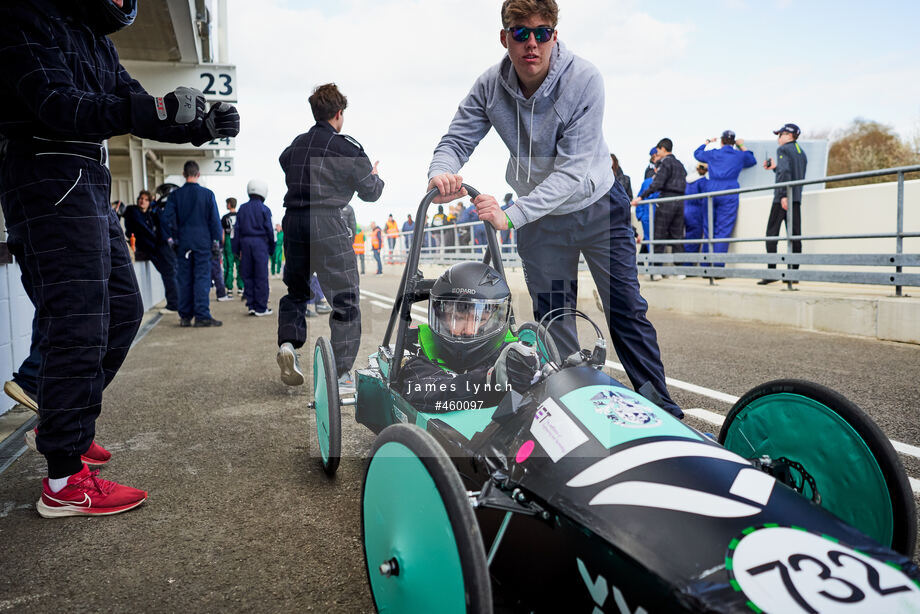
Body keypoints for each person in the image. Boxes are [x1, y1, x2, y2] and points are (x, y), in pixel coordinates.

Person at [0, 0, 238, 517]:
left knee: (123, 310)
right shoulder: (25, 15)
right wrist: (152, 110)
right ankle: (63, 482)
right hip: (46, 174)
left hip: (89, 179)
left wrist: (202, 124)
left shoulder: (98, 42)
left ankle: (64, 425)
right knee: (77, 319)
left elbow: (135, 102)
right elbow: (57, 105)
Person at [426, 0, 681, 417]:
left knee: (625, 310)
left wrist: (511, 215)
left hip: (598, 207)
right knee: (554, 318)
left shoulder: (584, 79)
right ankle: (574, 411)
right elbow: (455, 141)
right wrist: (441, 174)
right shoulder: (490, 85)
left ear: (555, 36)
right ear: (504, 37)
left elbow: (572, 173)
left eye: (542, 32)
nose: (532, 43)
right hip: (541, 219)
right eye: (521, 32)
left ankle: (665, 410)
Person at [276, 82, 384, 392]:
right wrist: (374, 176)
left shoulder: (296, 145)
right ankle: (341, 373)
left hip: (294, 221)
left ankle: (288, 345)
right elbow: (370, 192)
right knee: (345, 299)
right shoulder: (346, 146)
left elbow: (284, 161)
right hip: (328, 223)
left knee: (295, 291)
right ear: (339, 114)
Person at [397, 262, 539, 413]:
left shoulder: (510, 355)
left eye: (481, 319)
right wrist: (490, 380)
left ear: (496, 320)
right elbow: (425, 392)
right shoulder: (418, 355)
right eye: (458, 318)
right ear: (440, 317)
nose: (470, 330)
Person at [162, 161, 225, 327]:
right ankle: (202, 315)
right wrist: (216, 242)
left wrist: (170, 240)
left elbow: (165, 219)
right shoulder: (207, 194)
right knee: (202, 279)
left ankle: (185, 317)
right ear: (198, 174)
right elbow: (215, 222)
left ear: (184, 174)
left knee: (184, 279)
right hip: (203, 243)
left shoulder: (175, 195)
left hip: (183, 243)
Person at [692, 130, 756, 266]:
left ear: (721, 141)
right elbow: (752, 159)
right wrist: (741, 145)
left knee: (708, 229)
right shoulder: (739, 155)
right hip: (729, 190)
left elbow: (697, 154)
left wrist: (707, 142)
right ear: (733, 142)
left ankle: (705, 267)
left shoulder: (714, 153)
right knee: (723, 230)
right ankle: (718, 267)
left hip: (711, 190)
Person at [759, 122, 807, 285]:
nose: (778, 138)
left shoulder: (783, 149)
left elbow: (785, 173)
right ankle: (793, 274)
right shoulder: (801, 152)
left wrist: (782, 195)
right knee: (794, 236)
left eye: (780, 134)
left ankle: (772, 272)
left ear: (788, 135)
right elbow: (788, 171)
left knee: (771, 234)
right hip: (796, 198)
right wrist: (775, 167)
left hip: (782, 198)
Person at [631, 138, 687, 266]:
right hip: (680, 201)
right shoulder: (680, 164)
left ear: (663, 149)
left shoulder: (665, 163)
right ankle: (680, 270)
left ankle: (657, 269)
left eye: (657, 150)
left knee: (659, 234)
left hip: (667, 200)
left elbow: (657, 183)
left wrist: (641, 197)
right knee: (677, 235)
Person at [124, 189, 180, 312]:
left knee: (170, 273)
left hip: (161, 247)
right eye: (140, 198)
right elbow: (139, 229)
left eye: (145, 199)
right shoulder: (133, 211)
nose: (142, 201)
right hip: (154, 248)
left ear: (150, 202)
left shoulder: (153, 214)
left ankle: (174, 304)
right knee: (170, 273)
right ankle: (175, 303)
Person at [233, 179, 275, 316]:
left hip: (245, 244)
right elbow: (270, 230)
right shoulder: (265, 209)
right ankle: (261, 308)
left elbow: (236, 230)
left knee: (248, 275)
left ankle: (251, 305)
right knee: (261, 276)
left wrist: (236, 249)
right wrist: (272, 248)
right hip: (260, 244)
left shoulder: (242, 208)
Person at [634, 147, 659, 254]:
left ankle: (647, 262)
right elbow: (641, 195)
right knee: (650, 240)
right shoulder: (649, 173)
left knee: (654, 240)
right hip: (648, 214)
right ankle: (653, 266)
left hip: (657, 214)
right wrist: (640, 215)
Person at [683, 162, 709, 256]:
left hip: (686, 210)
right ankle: (688, 265)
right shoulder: (702, 181)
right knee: (693, 240)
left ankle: (685, 263)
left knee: (687, 239)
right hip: (696, 213)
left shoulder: (687, 181)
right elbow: (705, 199)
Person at [221, 198, 243, 295]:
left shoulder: (225, 217)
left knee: (229, 266)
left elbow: (222, 233)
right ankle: (240, 288)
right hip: (239, 241)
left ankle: (229, 288)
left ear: (229, 204)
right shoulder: (240, 216)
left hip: (229, 241)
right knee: (240, 266)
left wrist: (222, 244)